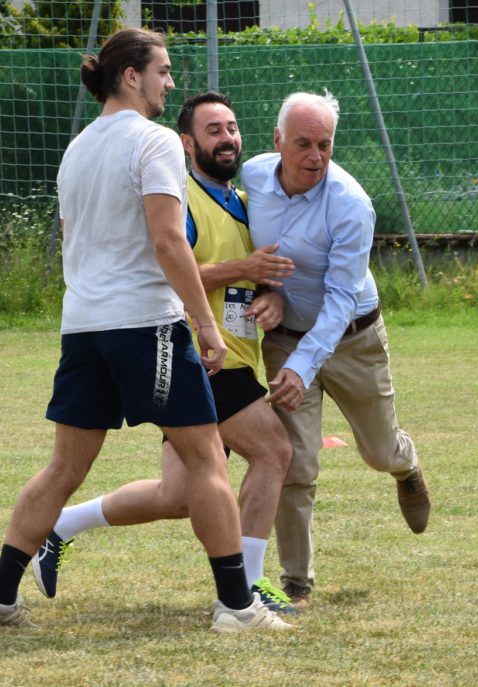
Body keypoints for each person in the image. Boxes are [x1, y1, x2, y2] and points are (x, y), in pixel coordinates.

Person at [0, 29, 289, 632]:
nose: (170, 81)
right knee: (207, 459)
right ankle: (237, 607)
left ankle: (2, 594)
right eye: (162, 70)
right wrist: (206, 323)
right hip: (146, 326)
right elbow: (167, 240)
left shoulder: (77, 147)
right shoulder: (155, 140)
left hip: (83, 327)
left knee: (63, 469)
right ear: (131, 76)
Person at [240, 91, 432, 609]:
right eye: (303, 143)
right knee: (294, 461)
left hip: (353, 338)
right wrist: (267, 292)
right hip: (284, 341)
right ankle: (296, 580)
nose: (315, 157)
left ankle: (406, 464)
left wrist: (305, 366)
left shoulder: (350, 203)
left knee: (377, 451)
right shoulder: (253, 177)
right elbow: (242, 249)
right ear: (278, 140)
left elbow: (341, 300)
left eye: (325, 144)